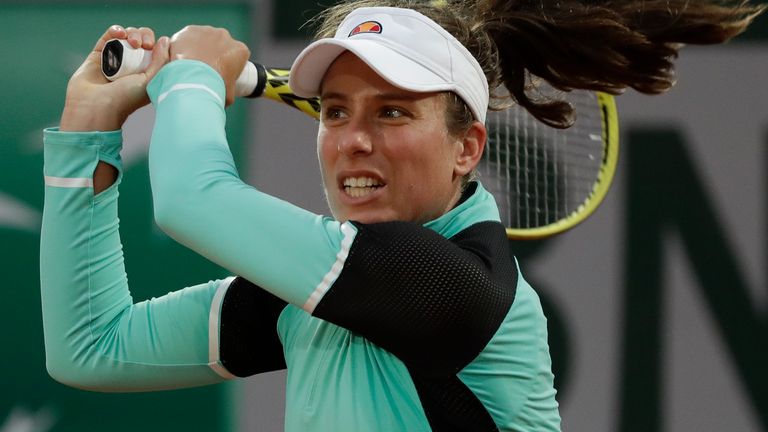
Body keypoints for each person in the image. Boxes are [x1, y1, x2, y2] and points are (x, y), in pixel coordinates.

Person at [40, 1, 764, 431]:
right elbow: (91, 347)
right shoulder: (325, 294)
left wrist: (192, 77)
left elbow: (193, 200)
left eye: (393, 112)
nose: (354, 139)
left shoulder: (455, 290)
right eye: (335, 111)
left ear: (466, 147)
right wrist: (86, 127)